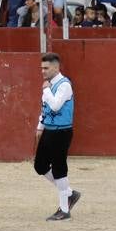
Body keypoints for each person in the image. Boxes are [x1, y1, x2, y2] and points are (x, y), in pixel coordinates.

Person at [32, 53, 81, 221]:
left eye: (46, 68)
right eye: (42, 68)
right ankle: (68, 193)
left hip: (61, 131)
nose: (43, 71)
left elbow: (54, 106)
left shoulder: (64, 85)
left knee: (59, 168)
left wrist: (46, 89)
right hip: (50, 130)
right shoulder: (50, 84)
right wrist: (40, 126)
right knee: (40, 165)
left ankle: (64, 210)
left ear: (55, 67)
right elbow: (45, 108)